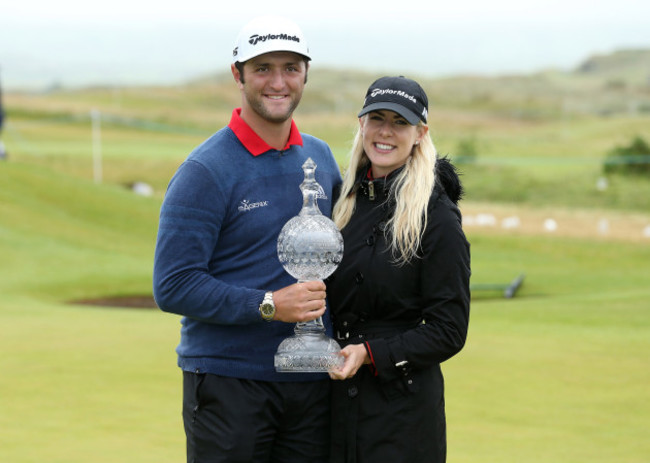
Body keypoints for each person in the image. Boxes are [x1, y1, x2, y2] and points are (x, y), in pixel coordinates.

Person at [153, 16, 342, 463]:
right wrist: (271, 305)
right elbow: (174, 285)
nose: (278, 82)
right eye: (262, 68)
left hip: (312, 382)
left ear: (305, 75)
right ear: (237, 75)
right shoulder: (205, 170)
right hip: (228, 382)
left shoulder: (321, 157)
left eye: (290, 68)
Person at [326, 76, 471, 463]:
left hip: (401, 413)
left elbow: (449, 330)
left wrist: (371, 353)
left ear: (420, 132)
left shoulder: (436, 216)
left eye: (400, 122)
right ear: (361, 124)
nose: (385, 131)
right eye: (377, 118)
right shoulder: (344, 201)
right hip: (333, 403)